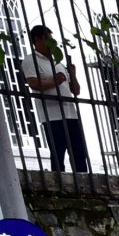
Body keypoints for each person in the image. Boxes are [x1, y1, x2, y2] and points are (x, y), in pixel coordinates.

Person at [23, 27, 87, 173]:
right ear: (38, 39)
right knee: (58, 153)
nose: (52, 43)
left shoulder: (58, 63)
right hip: (52, 116)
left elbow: (75, 90)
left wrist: (73, 74)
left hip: (71, 113)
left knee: (79, 152)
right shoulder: (31, 60)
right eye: (48, 39)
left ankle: (83, 180)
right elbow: (33, 83)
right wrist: (54, 81)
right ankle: (60, 180)